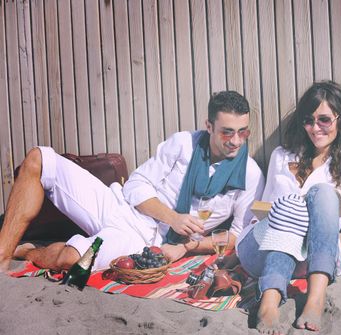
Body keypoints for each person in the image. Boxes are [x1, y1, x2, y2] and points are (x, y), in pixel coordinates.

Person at [0, 91, 265, 273]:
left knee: (74, 261)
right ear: (209, 126)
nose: (236, 141)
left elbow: (238, 235)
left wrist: (186, 246)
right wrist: (173, 217)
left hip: (136, 241)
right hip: (118, 207)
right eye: (227, 132)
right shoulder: (183, 144)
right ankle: (2, 257)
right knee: (39, 159)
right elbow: (135, 185)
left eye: (243, 132)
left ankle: (27, 252)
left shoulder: (250, 175)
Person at [235, 81, 341, 335]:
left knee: (323, 192)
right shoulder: (281, 155)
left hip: (309, 260)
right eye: (308, 121)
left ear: (340, 119)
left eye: (324, 120)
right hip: (261, 250)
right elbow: (265, 213)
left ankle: (315, 298)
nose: (315, 128)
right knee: (290, 205)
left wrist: (314, 239)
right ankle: (268, 302)